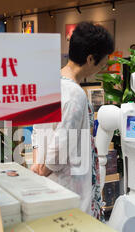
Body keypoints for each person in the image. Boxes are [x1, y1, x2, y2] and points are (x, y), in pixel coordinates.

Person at [31, 22, 114, 221]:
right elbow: (61, 144)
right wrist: (44, 168)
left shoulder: (48, 81)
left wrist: (37, 167)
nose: (102, 67)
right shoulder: (75, 94)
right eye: (102, 62)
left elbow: (36, 129)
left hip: (46, 184)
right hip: (68, 187)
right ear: (90, 59)